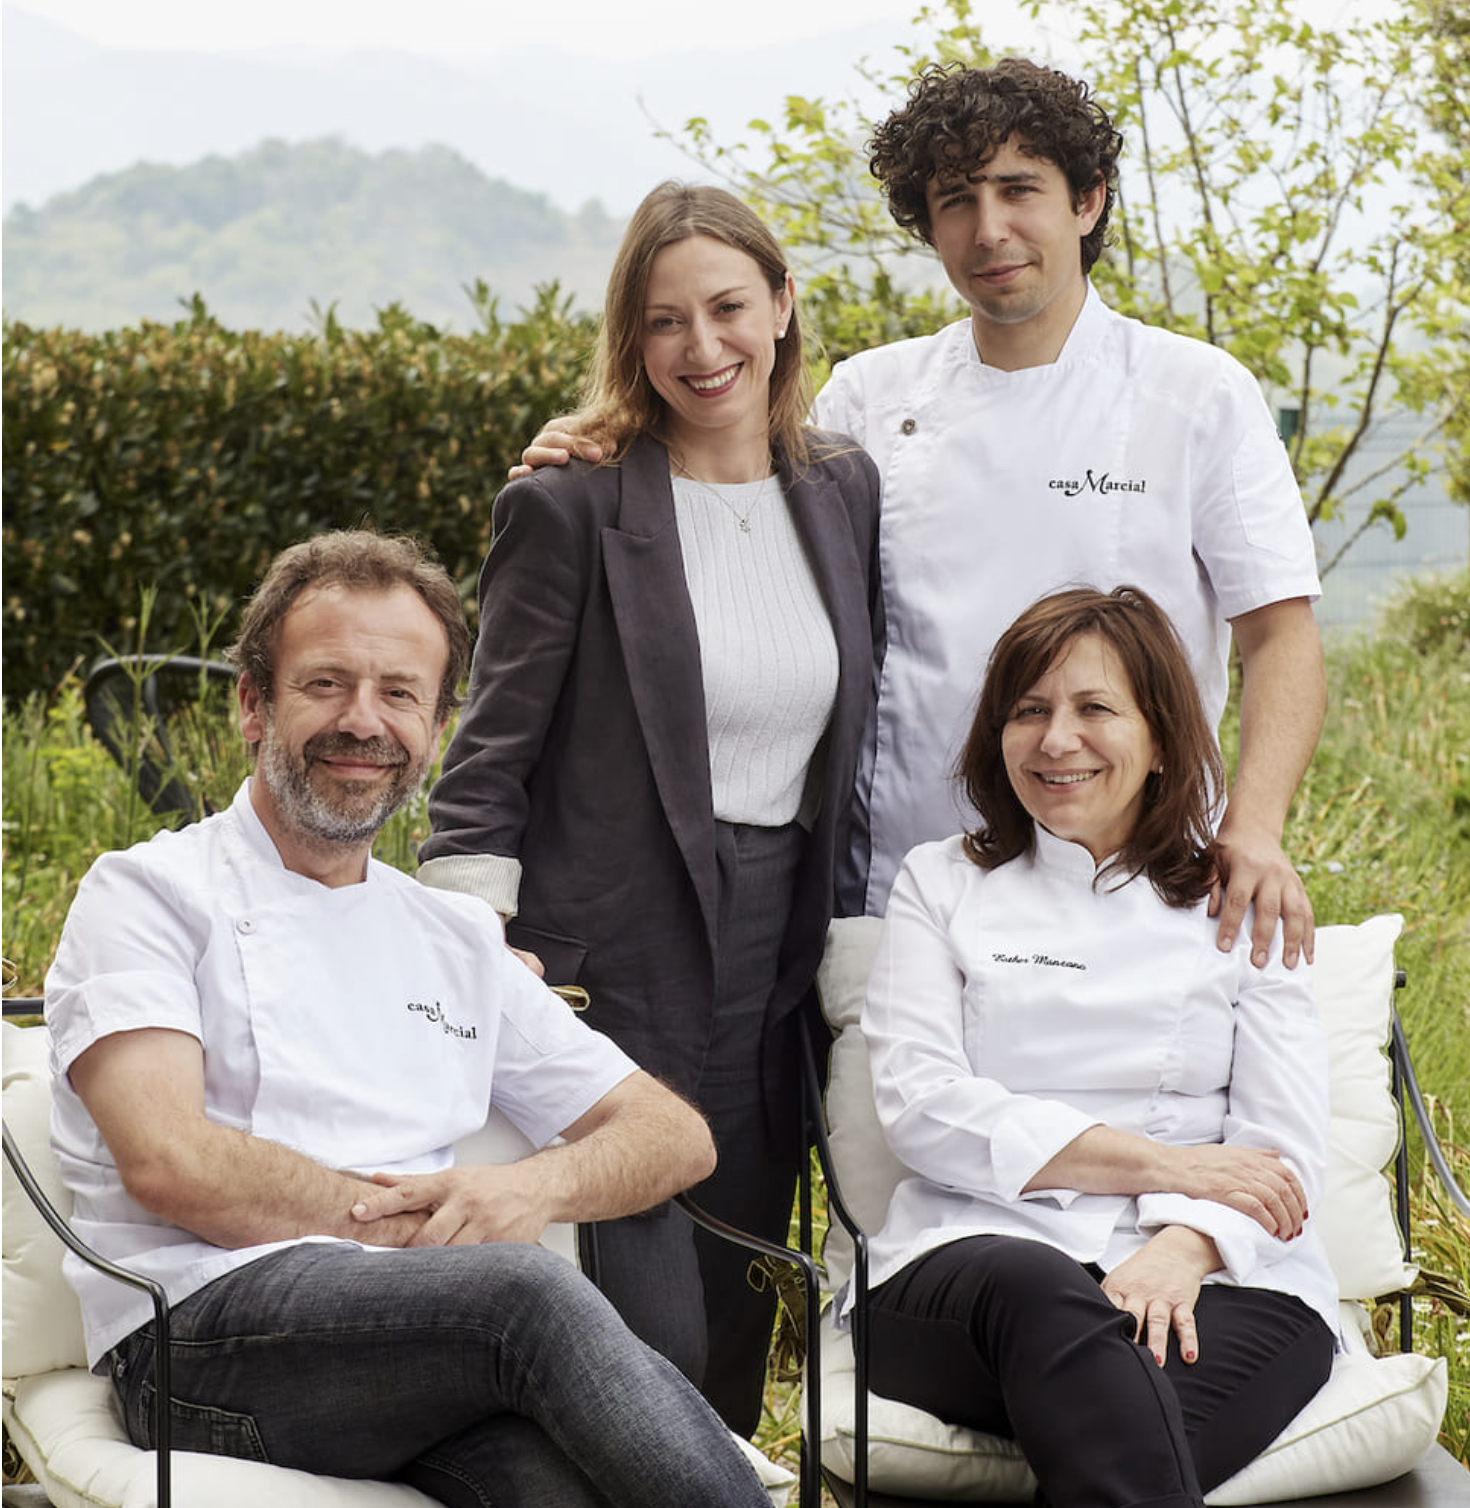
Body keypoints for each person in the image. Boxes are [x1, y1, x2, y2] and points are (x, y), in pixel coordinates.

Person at [516, 58, 1327, 973]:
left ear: (1089, 200)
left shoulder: (1197, 394)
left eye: (1020, 190)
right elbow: (732, 490)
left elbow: (1281, 635)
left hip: (1140, 874)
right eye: (955, 200)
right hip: (901, 892)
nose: (990, 230)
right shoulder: (870, 394)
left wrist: (1255, 829)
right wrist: (618, 431)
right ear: (926, 224)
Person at [45, 530, 774, 1508]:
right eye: (325, 683)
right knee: (525, 1291)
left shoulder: (455, 935)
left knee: (556, 1486)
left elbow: (673, 1136)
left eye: (398, 692)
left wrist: (526, 1190)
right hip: (199, 1344)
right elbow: (173, 1162)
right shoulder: (147, 894)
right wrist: (425, 1226)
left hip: (417, 1347)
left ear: (437, 722)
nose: (363, 721)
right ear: (253, 703)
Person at [416, 181, 882, 1435]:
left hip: (774, 962)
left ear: (784, 305)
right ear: (633, 337)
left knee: (736, 1314)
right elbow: (486, 757)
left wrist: (845, 938)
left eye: (729, 307)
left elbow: (848, 750)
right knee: (642, 1337)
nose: (702, 347)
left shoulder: (843, 490)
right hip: (607, 963)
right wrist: (479, 954)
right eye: (664, 321)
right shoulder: (569, 501)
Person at [854, 585, 1337, 1507]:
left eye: (1094, 709)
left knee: (1125, 1431)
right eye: (1028, 711)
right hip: (978, 1259)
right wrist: (1172, 1167)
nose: (1055, 740)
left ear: (1161, 737)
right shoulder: (943, 882)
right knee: (1043, 1297)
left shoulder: (1240, 896)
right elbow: (923, 1107)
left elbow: (1282, 1153)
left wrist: (1182, 1246)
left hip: (1222, 1270)